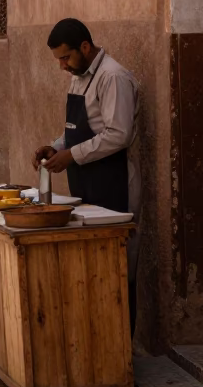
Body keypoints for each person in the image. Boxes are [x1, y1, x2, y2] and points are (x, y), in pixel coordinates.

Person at [32, 18, 142, 331]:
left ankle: (121, 351)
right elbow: (76, 131)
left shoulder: (113, 77)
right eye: (58, 60)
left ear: (85, 47)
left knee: (116, 270)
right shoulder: (79, 76)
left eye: (65, 57)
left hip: (114, 184)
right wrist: (55, 148)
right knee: (90, 268)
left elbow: (118, 135)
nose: (62, 66)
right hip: (86, 182)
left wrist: (72, 156)